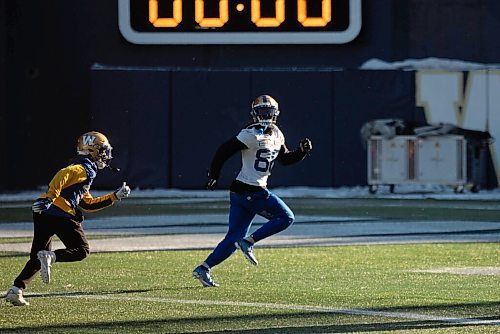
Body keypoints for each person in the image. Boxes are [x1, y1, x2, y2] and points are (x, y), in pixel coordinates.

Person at [192, 95, 312, 287]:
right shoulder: (251, 133)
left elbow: (285, 159)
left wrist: (302, 152)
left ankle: (203, 269)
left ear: (276, 114)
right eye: (261, 112)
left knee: (233, 238)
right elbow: (224, 150)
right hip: (252, 190)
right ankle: (250, 242)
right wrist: (213, 174)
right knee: (286, 217)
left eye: (268, 112)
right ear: (254, 114)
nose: (265, 115)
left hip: (241, 192)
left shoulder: (276, 134)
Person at [5, 131, 131, 306]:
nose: (105, 155)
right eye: (102, 150)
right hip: (59, 212)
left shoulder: (84, 167)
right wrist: (49, 197)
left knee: (38, 256)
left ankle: (16, 290)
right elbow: (64, 173)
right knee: (81, 250)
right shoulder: (84, 168)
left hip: (45, 214)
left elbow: (87, 204)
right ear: (91, 150)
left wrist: (114, 196)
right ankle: (51, 257)